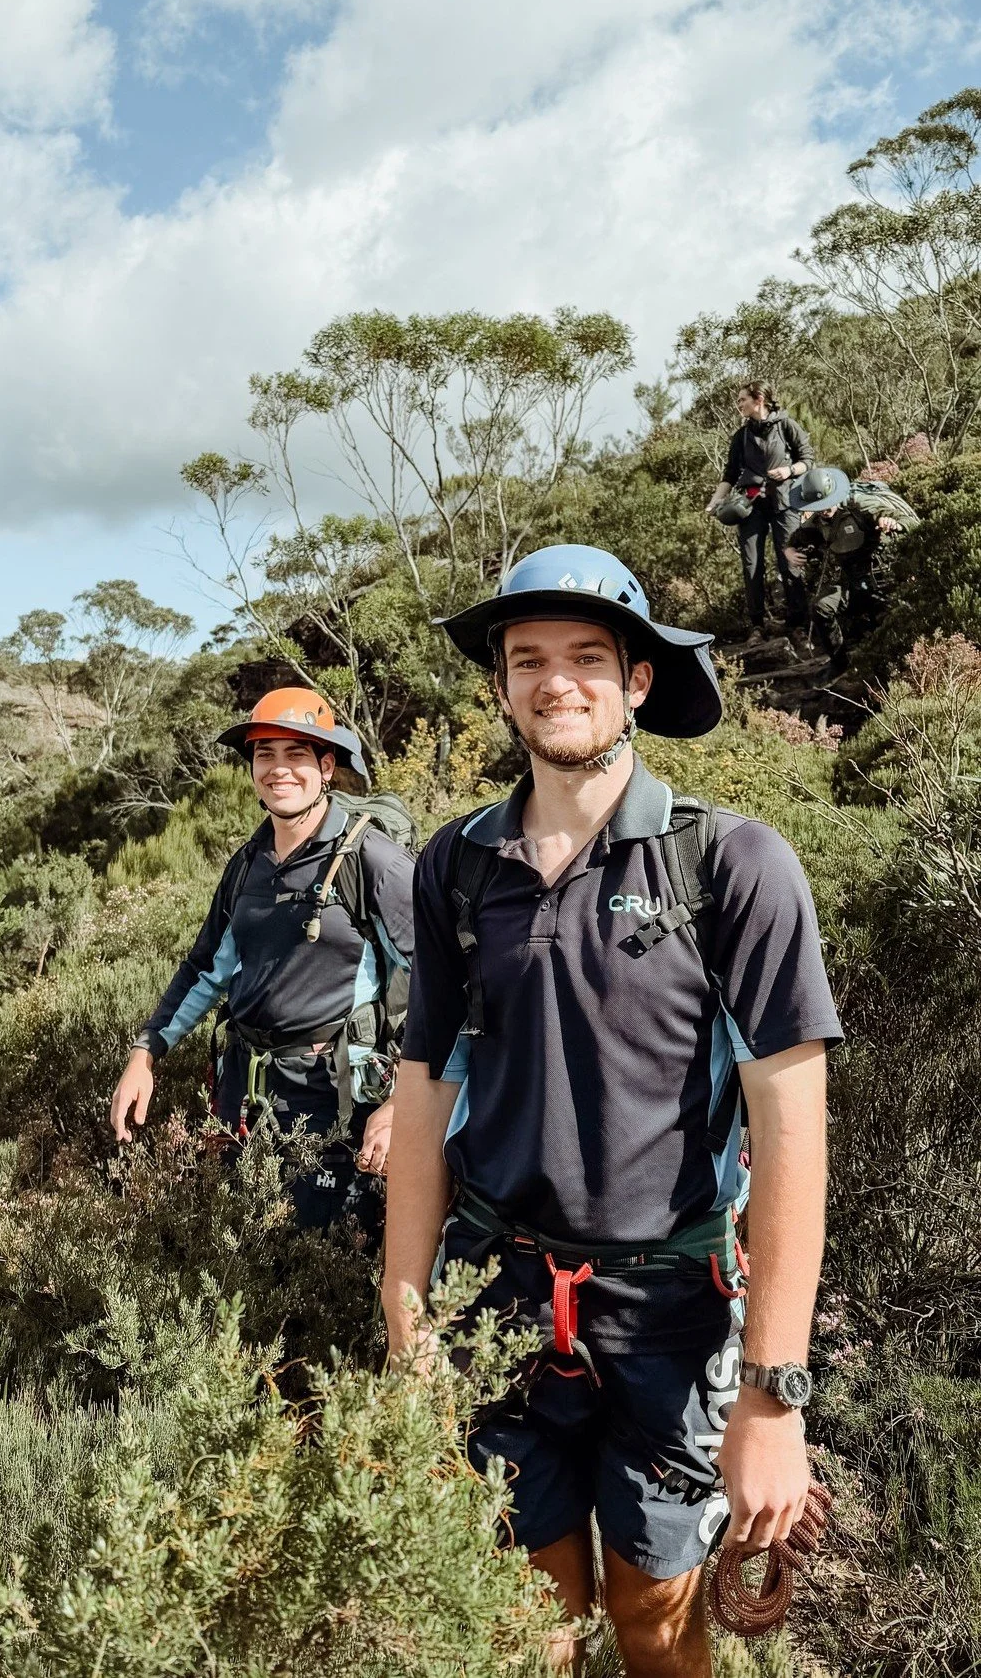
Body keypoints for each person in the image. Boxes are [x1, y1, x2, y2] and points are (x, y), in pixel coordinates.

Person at [383, 544, 841, 1676]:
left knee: (655, 1620)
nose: (557, 682)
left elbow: (793, 1130)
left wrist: (773, 1398)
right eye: (527, 659)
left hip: (672, 1314)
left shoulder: (731, 865)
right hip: (502, 1296)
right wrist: (406, 1318)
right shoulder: (455, 867)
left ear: (637, 680)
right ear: (499, 685)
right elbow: (423, 1085)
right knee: (523, 1617)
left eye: (588, 657)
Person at [110, 687, 415, 1235]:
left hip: (334, 1097)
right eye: (264, 755)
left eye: (296, 755)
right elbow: (205, 968)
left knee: (329, 1256)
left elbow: (439, 984)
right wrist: (145, 1053)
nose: (279, 770)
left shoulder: (374, 862)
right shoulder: (248, 863)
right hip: (244, 1093)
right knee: (240, 1244)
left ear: (327, 768)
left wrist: (403, 1103)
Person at [705, 381, 814, 639]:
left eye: (742, 399)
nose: (739, 404)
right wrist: (714, 502)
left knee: (789, 561)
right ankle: (757, 625)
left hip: (785, 502)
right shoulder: (741, 436)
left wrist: (789, 470)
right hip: (750, 505)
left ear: (759, 400)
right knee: (751, 564)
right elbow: (730, 475)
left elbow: (807, 459)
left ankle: (797, 623)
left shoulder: (786, 425)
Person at [787, 466, 919, 678]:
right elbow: (798, 538)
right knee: (821, 607)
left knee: (892, 618)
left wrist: (892, 523)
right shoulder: (818, 520)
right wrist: (789, 551)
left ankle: (901, 666)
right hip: (849, 580)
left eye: (826, 504)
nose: (823, 510)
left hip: (883, 575)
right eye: (817, 507)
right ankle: (840, 664)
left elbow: (908, 521)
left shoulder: (860, 506)